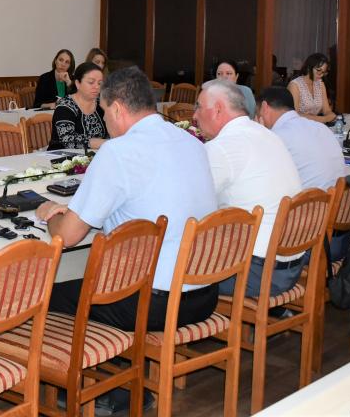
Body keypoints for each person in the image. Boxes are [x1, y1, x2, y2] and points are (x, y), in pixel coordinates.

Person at [37, 66, 220, 335]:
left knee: (40, 295)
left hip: (149, 303)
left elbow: (67, 236)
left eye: (104, 111)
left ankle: (56, 358)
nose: (104, 119)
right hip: (204, 296)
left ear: (117, 109)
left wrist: (52, 214)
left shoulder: (117, 151)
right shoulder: (191, 142)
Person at [195, 79, 303, 299]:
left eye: (198, 107)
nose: (194, 116)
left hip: (256, 273)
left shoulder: (223, 147)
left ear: (218, 110)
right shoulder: (267, 134)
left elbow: (191, 204)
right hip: (290, 266)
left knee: (166, 270)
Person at [257, 86, 345, 190]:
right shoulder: (321, 127)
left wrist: (260, 135)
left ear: (264, 107)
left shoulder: (277, 136)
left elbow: (261, 179)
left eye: (257, 113)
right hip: (337, 196)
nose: (257, 118)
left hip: (308, 199)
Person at [48, 62, 108, 150]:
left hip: (97, 154)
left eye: (99, 83)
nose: (96, 87)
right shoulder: (65, 106)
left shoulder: (101, 105)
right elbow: (68, 141)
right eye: (91, 82)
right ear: (78, 84)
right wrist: (105, 143)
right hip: (63, 156)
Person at [287, 53, 336, 124]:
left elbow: (326, 110)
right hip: (298, 125)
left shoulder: (320, 84)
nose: (321, 75)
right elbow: (295, 114)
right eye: (318, 70)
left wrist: (330, 115)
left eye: (323, 72)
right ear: (308, 68)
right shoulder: (295, 85)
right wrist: (324, 119)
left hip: (315, 125)